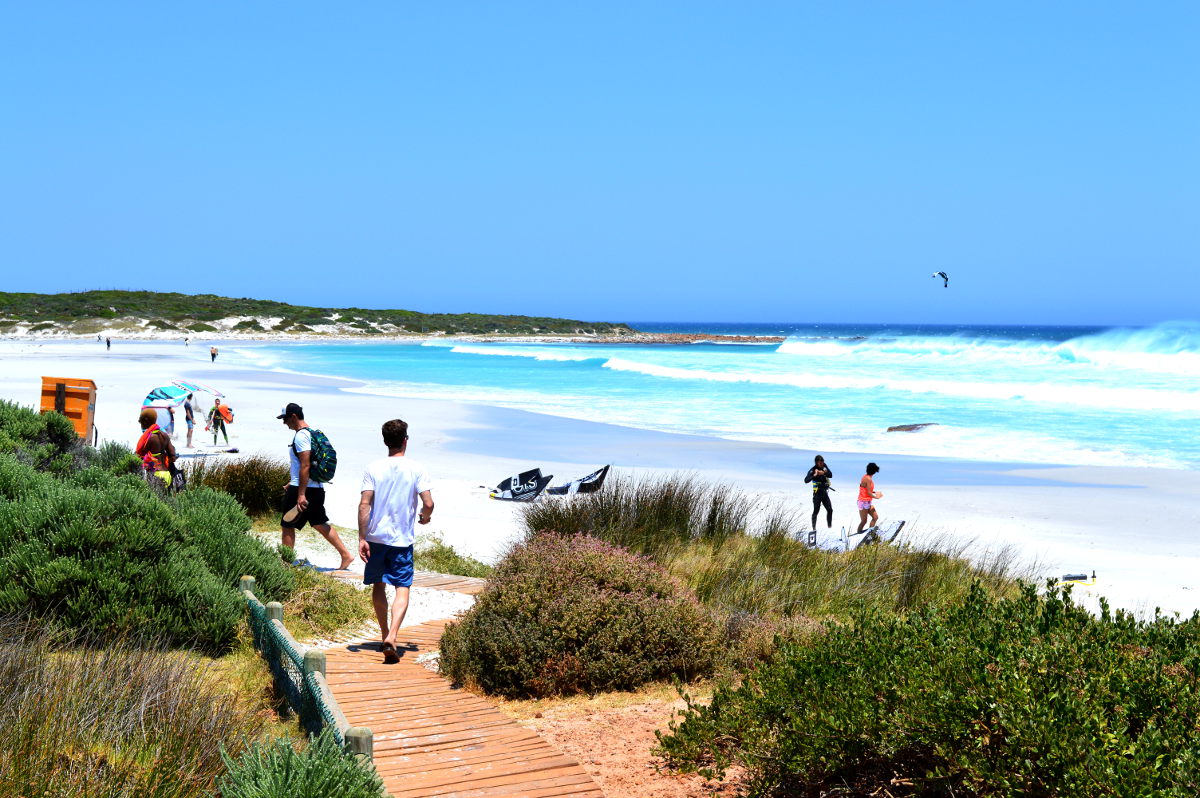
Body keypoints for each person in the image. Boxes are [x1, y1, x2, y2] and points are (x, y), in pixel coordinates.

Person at [358, 418, 434, 664]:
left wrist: (362, 536)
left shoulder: (373, 468)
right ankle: (393, 635)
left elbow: (364, 504)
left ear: (385, 441)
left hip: (376, 537)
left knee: (378, 585)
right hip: (401, 540)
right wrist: (425, 516)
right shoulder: (416, 468)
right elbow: (429, 502)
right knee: (402, 587)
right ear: (405, 440)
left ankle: (383, 635)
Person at [279, 402, 354, 571]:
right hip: (315, 488)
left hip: (304, 489)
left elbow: (305, 465)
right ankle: (346, 555)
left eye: (285, 419)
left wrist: (300, 494)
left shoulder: (301, 436)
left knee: (287, 525)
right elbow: (306, 465)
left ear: (293, 417)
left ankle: (285, 563)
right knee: (319, 522)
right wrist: (291, 482)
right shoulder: (312, 433)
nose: (284, 423)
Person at [135, 407, 176, 488]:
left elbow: (140, 455)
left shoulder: (149, 438)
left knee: (154, 498)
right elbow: (173, 455)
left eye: (142, 422)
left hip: (155, 474)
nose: (141, 424)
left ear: (146, 422)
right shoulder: (164, 435)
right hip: (167, 474)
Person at [804, 455, 834, 531]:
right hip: (817, 494)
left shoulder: (824, 466)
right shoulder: (813, 470)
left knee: (830, 510)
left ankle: (829, 527)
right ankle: (814, 529)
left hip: (824, 493)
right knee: (816, 511)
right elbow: (806, 480)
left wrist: (823, 473)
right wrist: (814, 475)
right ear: (816, 463)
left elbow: (830, 475)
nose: (822, 464)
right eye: (820, 463)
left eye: (823, 462)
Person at [856, 462, 883, 533]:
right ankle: (858, 534)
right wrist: (877, 497)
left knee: (875, 517)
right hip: (863, 502)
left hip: (867, 501)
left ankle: (870, 533)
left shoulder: (866, 477)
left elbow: (865, 489)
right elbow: (868, 492)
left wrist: (874, 492)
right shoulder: (868, 479)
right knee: (864, 521)